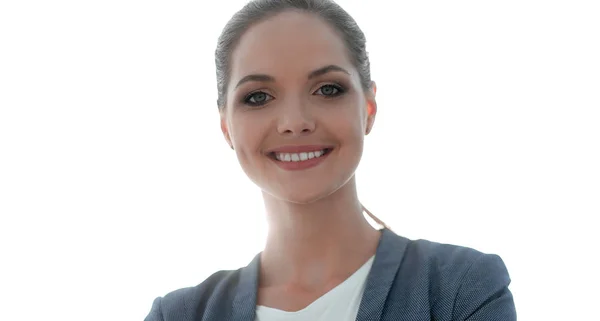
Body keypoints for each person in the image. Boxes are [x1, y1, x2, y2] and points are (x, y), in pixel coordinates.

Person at [144, 0, 517, 320]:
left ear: (368, 108)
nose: (295, 123)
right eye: (258, 97)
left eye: (328, 89)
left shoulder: (460, 287)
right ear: (226, 126)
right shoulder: (180, 314)